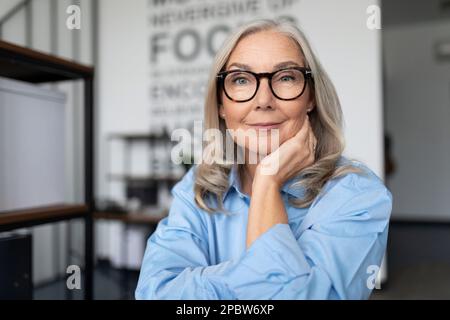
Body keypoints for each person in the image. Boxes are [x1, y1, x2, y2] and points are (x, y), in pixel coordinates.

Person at [135, 19, 392, 300]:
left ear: (311, 98)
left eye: (285, 77)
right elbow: (155, 293)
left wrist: (267, 182)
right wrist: (255, 277)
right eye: (242, 80)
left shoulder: (357, 195)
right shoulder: (199, 185)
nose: (264, 100)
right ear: (221, 104)